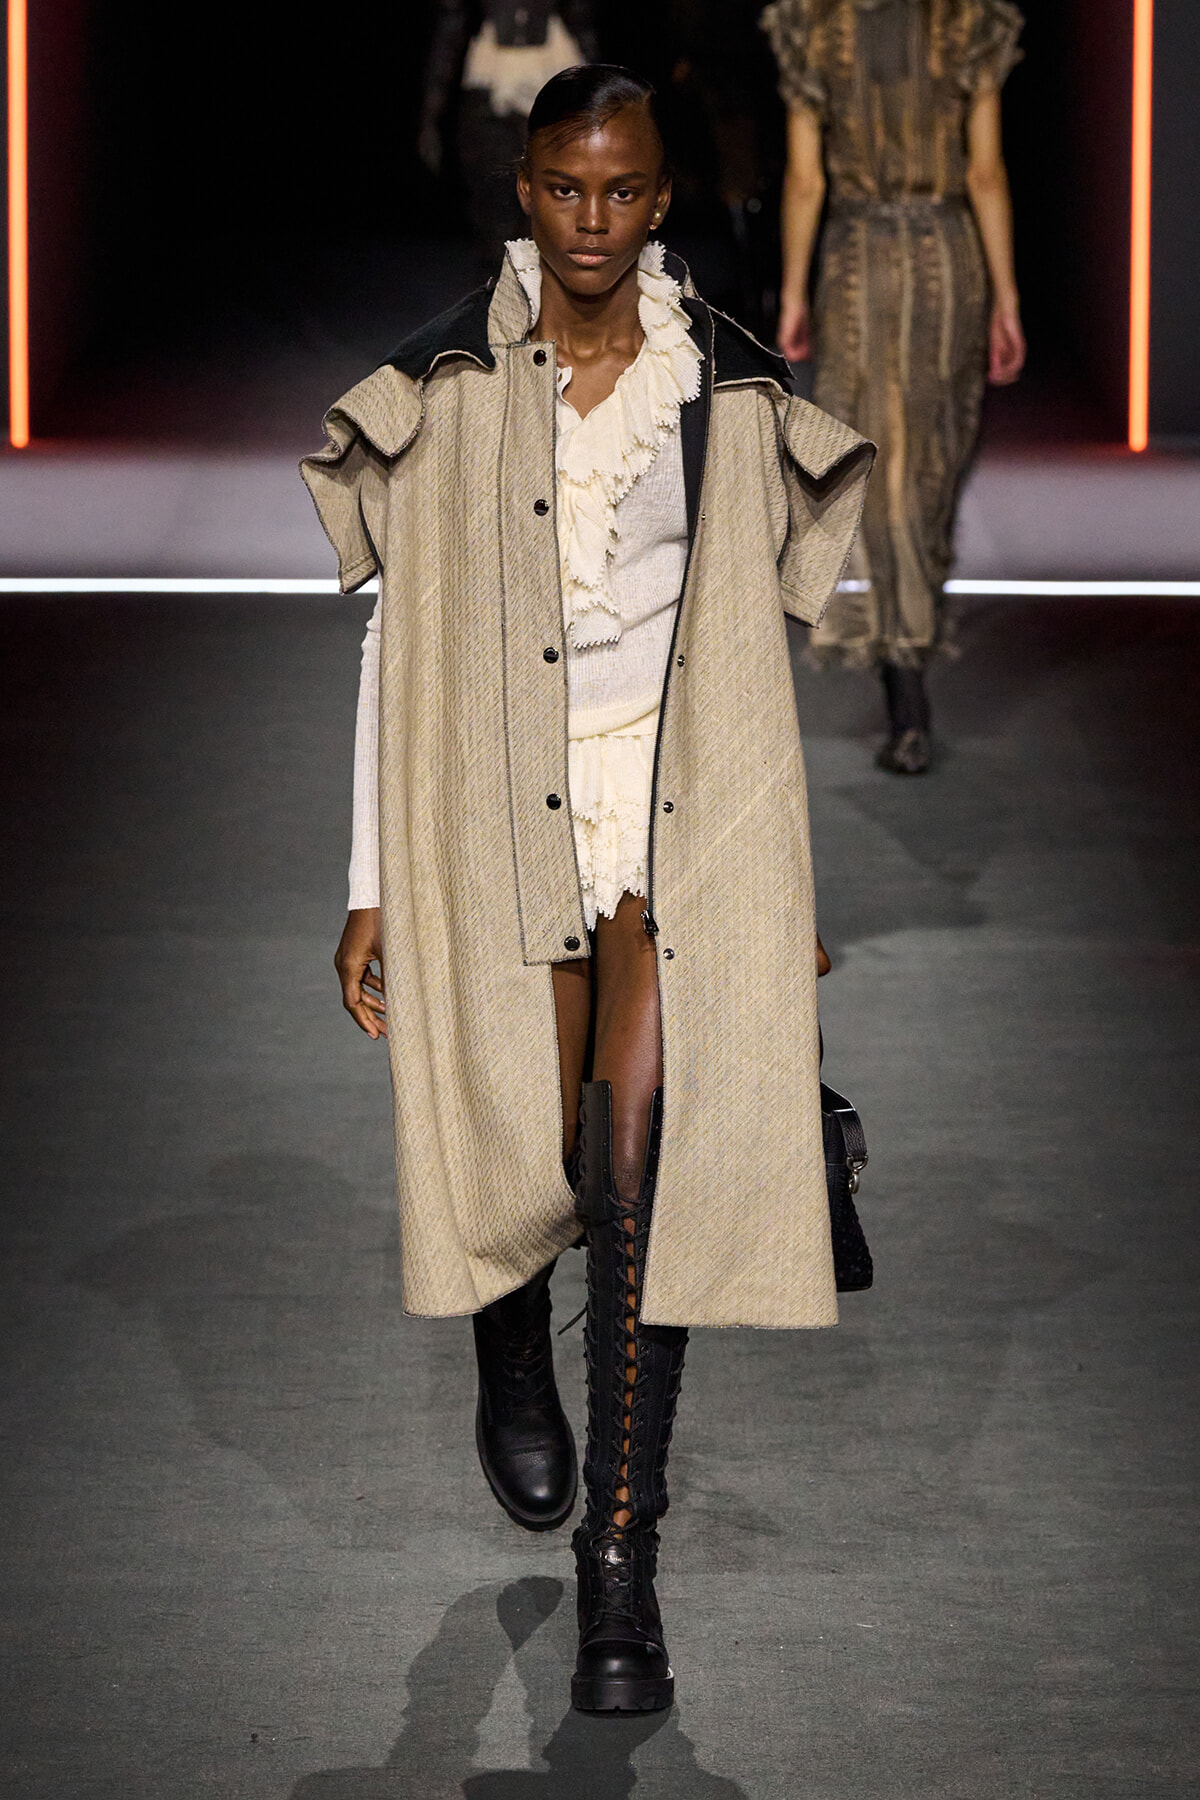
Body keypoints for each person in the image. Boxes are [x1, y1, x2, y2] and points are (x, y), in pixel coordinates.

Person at [301, 65, 872, 1714]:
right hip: (500, 796)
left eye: (624, 191)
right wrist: (370, 883)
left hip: (671, 808)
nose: (595, 220)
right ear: (527, 189)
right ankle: (509, 1338)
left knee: (636, 1169)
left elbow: (756, 651)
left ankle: (623, 1570)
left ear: (662, 199)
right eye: (567, 187)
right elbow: (399, 638)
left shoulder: (728, 386)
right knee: (540, 1139)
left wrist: (771, 883)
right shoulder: (453, 385)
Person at [762, 0, 1025, 772]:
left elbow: (805, 180)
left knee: (880, 467)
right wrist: (1007, 297)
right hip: (946, 258)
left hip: (857, 262)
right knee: (927, 466)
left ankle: (901, 672)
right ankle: (910, 655)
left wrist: (793, 293)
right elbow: (984, 172)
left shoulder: (815, 22)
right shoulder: (966, 19)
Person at [418, 0, 598, 272]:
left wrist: (600, 106)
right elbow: (450, 30)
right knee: (495, 197)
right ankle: (502, 283)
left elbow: (583, 25)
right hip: (492, 81)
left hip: (552, 71)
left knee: (551, 196)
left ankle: (537, 283)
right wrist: (430, 118)